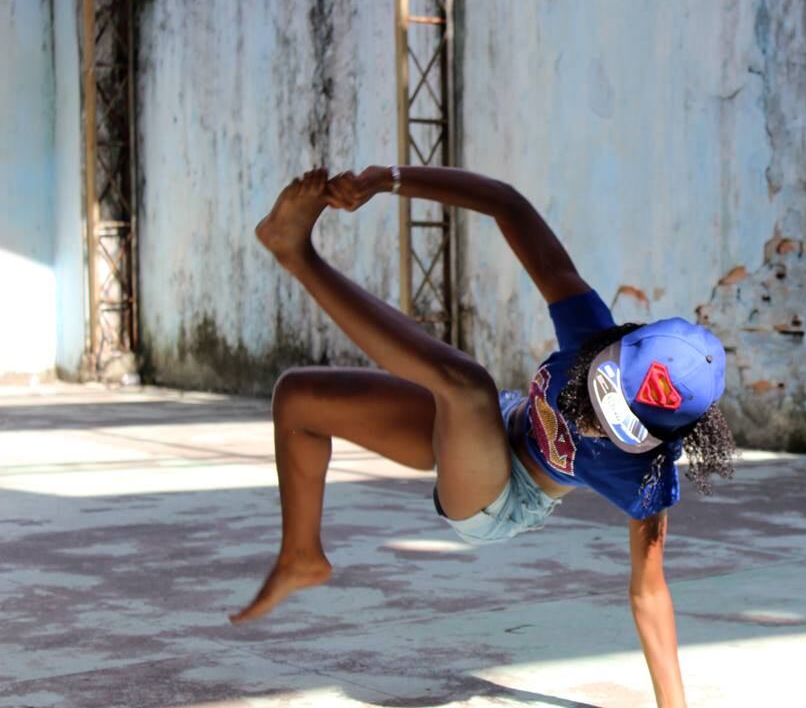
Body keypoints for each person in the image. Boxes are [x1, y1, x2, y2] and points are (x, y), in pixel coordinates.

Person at [231, 165, 737, 708]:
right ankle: (302, 555)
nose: (596, 417)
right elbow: (506, 203)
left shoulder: (645, 476)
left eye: (620, 426)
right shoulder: (587, 325)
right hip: (487, 424)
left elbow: (650, 591)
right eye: (603, 391)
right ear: (615, 346)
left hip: (499, 500)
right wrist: (390, 179)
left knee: (466, 384)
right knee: (299, 399)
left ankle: (296, 255)